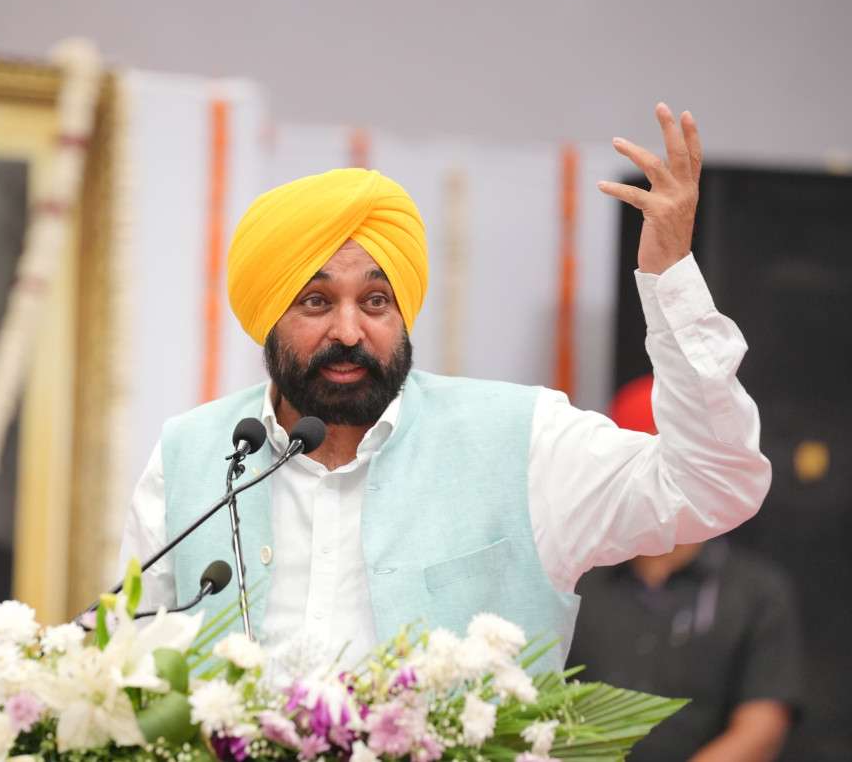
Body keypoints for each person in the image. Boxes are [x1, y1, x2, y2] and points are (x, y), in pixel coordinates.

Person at [118, 104, 771, 673]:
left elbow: (714, 485)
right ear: (266, 318)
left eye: (376, 300)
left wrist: (670, 281)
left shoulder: (521, 439)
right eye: (316, 301)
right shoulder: (193, 456)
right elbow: (132, 666)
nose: (349, 330)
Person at [568, 376, 803, 762]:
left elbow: (763, 726)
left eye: (673, 463)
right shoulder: (574, 576)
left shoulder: (754, 590)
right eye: (641, 463)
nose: (657, 482)